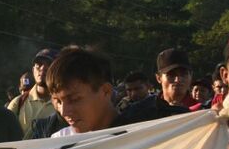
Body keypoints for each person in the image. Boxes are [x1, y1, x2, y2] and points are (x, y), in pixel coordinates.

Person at [44, 46, 188, 138]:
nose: (64, 111)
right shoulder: (59, 144)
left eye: (74, 99)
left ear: (106, 91)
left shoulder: (149, 131)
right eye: (58, 101)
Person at [6, 48, 60, 136]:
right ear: (33, 70)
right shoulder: (18, 103)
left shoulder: (64, 104)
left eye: (49, 65)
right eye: (39, 64)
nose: (42, 68)